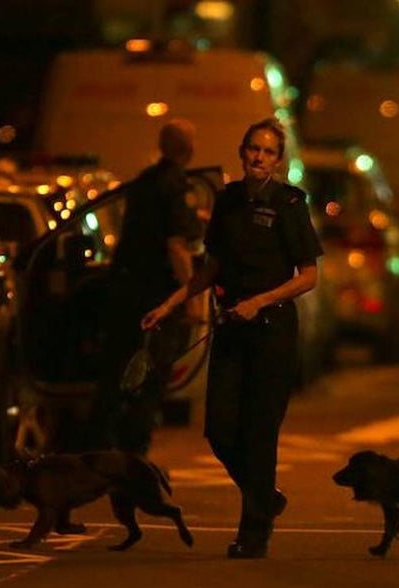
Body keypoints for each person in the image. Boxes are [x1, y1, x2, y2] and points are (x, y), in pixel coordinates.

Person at [142, 117, 323, 559]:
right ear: (242, 152)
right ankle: (265, 497)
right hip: (231, 328)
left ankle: (254, 532)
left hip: (271, 328)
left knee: (260, 433)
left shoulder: (289, 204)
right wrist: (169, 304)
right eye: (252, 149)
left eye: (267, 151)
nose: (258, 157)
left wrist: (261, 302)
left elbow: (309, 276)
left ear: (278, 161)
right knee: (220, 428)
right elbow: (211, 267)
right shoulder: (226, 202)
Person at [88, 118, 203, 456]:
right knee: (151, 376)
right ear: (189, 149)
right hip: (157, 297)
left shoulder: (143, 182)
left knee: (116, 370)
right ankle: (134, 452)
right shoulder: (178, 187)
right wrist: (192, 298)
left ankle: (98, 444)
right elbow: (177, 246)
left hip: (125, 291)